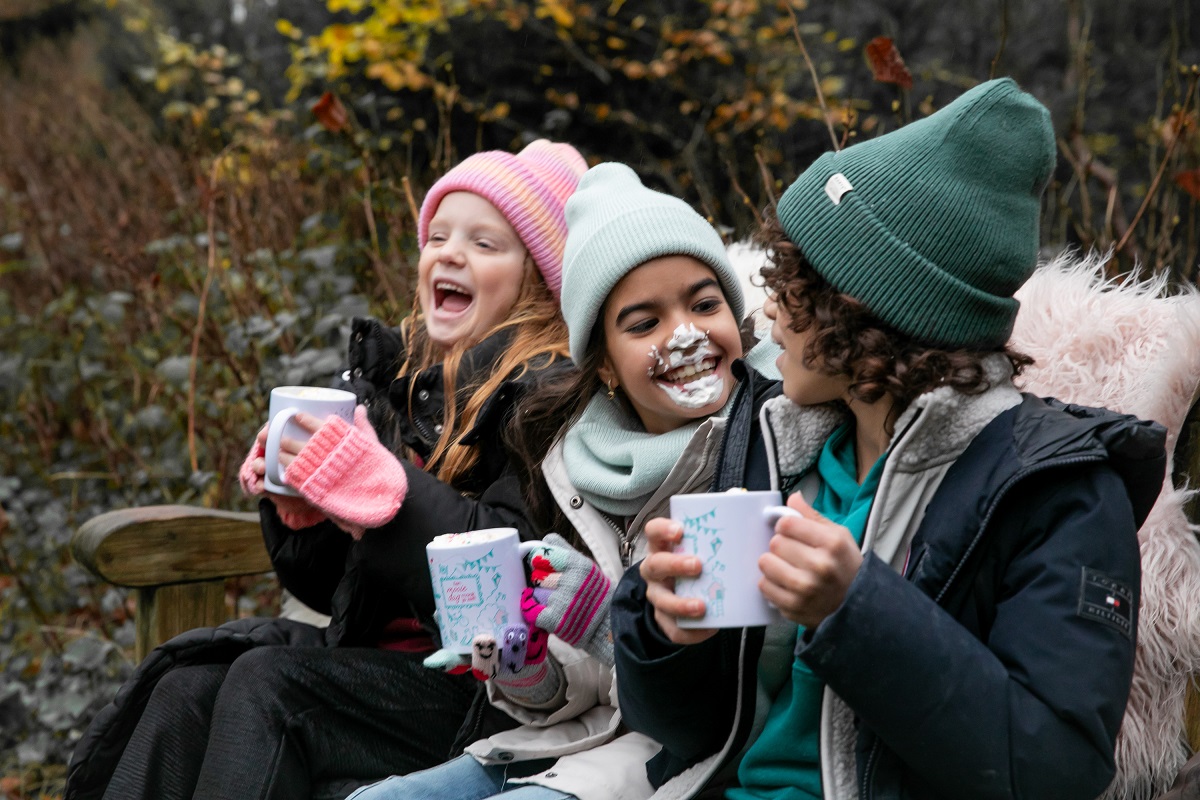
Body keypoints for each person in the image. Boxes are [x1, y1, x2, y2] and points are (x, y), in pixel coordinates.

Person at [611, 78, 1167, 800]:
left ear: (860, 311)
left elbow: (1055, 770)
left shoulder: (1061, 493)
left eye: (793, 286)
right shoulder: (775, 448)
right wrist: (667, 636)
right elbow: (686, 736)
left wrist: (857, 610)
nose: (769, 311)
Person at [65, 139, 588, 800]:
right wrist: (308, 514)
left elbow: (510, 586)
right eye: (439, 236)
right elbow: (329, 592)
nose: (450, 253)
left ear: (539, 282)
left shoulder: (545, 398)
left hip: (493, 693)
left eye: (485, 245)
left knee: (268, 683)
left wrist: (388, 496)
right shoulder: (404, 390)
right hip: (377, 666)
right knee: (185, 685)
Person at [345, 162, 780, 800]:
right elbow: (580, 691)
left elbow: (734, 688)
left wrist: (608, 624)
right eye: (644, 323)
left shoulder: (766, 439)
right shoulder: (575, 464)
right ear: (602, 365)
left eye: (704, 303)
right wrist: (526, 670)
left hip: (694, 757)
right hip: (584, 744)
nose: (685, 334)